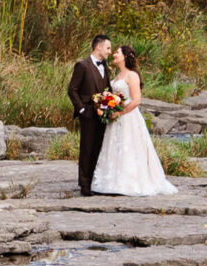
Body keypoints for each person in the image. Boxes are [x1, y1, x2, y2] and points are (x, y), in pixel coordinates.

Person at [88, 43, 177, 197]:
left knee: (129, 147)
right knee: (113, 147)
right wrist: (107, 106)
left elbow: (136, 100)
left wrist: (119, 112)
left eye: (117, 52)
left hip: (129, 118)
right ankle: (111, 181)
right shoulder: (117, 76)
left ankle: (129, 182)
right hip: (115, 119)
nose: (114, 54)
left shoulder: (132, 75)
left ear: (124, 56)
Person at [66, 33, 114, 197]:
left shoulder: (105, 66)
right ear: (98, 47)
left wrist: (110, 106)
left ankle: (94, 181)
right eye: (108, 48)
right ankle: (84, 184)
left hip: (103, 114)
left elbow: (107, 89)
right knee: (86, 148)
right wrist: (81, 110)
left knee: (98, 148)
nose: (109, 51)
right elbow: (72, 90)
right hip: (88, 114)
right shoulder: (83, 66)